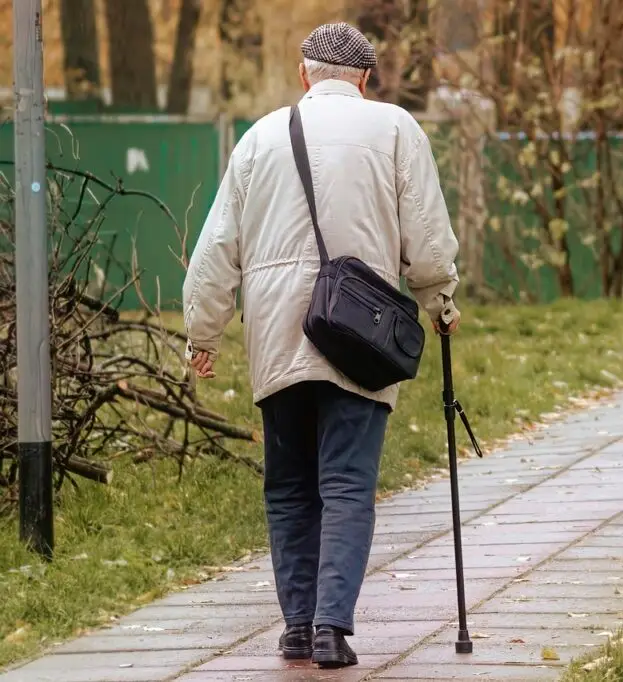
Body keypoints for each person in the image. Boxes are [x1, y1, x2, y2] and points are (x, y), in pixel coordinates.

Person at [181, 22, 461, 669]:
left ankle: (296, 628)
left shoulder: (258, 139)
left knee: (287, 488)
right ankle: (332, 627)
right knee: (346, 485)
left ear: (304, 75)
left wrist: (204, 332)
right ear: (365, 79)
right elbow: (426, 233)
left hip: (278, 331)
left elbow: (218, 246)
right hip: (357, 332)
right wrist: (439, 303)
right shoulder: (395, 129)